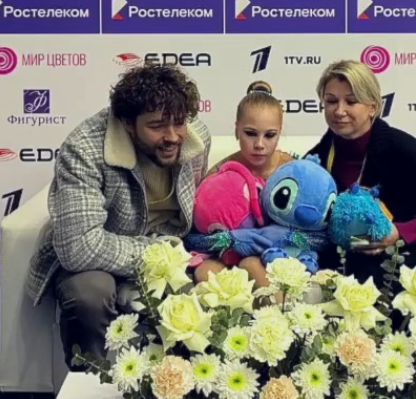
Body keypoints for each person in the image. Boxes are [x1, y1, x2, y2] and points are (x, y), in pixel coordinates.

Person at [24, 64, 210, 365]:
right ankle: (88, 380)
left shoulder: (195, 138)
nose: (173, 136)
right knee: (89, 295)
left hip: (170, 249)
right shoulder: (84, 148)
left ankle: (180, 382)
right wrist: (159, 254)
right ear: (127, 123)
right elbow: (80, 248)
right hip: (101, 253)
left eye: (179, 123)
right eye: (157, 126)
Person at [305, 59, 416, 279]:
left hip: (403, 252)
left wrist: (400, 232)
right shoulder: (317, 158)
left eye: (351, 101)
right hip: (343, 252)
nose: (339, 110)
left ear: (373, 107)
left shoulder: (403, 149)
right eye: (331, 101)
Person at [191, 81, 294, 289]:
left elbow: (314, 229)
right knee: (205, 273)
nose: (259, 144)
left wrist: (268, 239)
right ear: (237, 130)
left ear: (280, 132)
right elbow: (195, 235)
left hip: (278, 252)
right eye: (250, 133)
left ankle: (278, 311)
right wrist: (228, 239)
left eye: (270, 135)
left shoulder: (291, 171)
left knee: (252, 265)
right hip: (226, 254)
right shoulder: (220, 174)